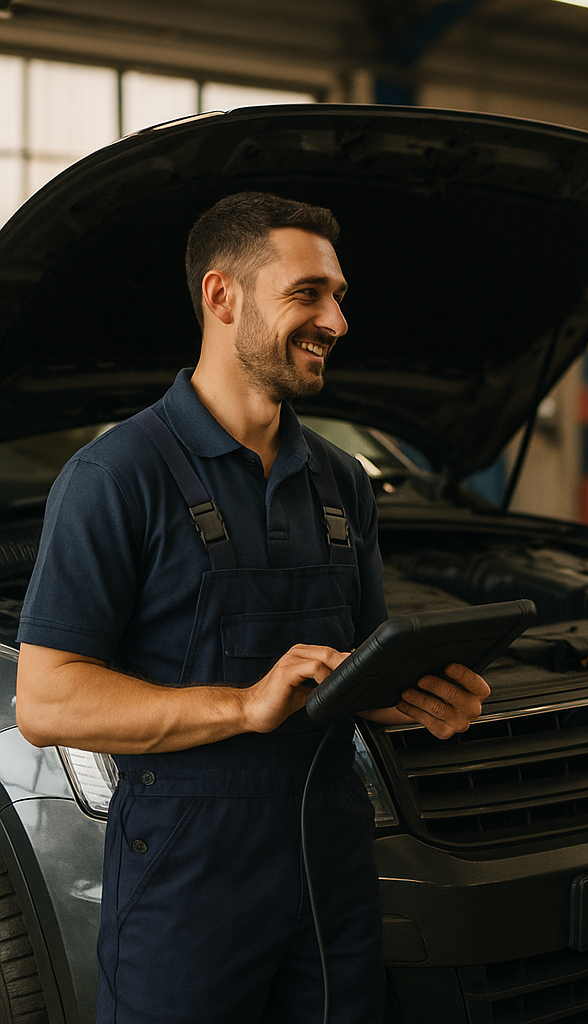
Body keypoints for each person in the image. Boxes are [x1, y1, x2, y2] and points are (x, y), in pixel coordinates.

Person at [14, 191, 491, 1024]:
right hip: (186, 881)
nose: (336, 321)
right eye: (308, 293)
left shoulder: (343, 482)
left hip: (331, 867)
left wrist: (418, 691)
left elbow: (351, 669)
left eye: (339, 297)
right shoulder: (115, 479)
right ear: (222, 295)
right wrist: (243, 704)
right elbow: (47, 701)